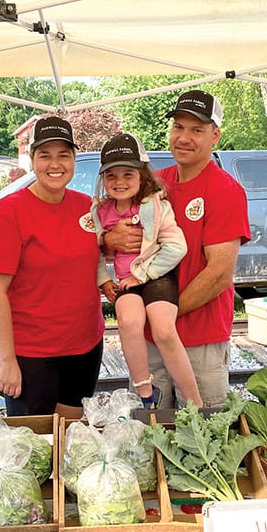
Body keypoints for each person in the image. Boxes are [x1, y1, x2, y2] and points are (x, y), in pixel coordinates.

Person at [104, 90, 250, 408]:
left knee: (202, 430)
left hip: (200, 339)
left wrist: (163, 315)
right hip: (148, 339)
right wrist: (108, 240)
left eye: (196, 130)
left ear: (215, 136)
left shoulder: (225, 190)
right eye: (178, 128)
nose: (184, 138)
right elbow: (110, 233)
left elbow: (219, 274)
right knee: (148, 427)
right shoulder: (153, 183)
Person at [0, 116, 105, 418]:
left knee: (69, 440)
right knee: (33, 449)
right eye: (44, 155)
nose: (54, 164)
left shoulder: (87, 207)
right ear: (32, 159)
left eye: (63, 154)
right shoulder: (9, 211)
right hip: (32, 355)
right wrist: (7, 360)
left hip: (85, 348)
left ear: (74, 158)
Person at [91, 132, 204, 409]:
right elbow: (91, 251)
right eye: (111, 176)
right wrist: (104, 279)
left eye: (128, 174)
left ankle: (194, 401)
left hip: (156, 275)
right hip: (125, 282)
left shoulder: (155, 206)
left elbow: (177, 248)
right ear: (103, 179)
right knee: (129, 322)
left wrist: (140, 275)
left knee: (163, 328)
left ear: (142, 176)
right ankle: (146, 396)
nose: (119, 182)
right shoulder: (100, 211)